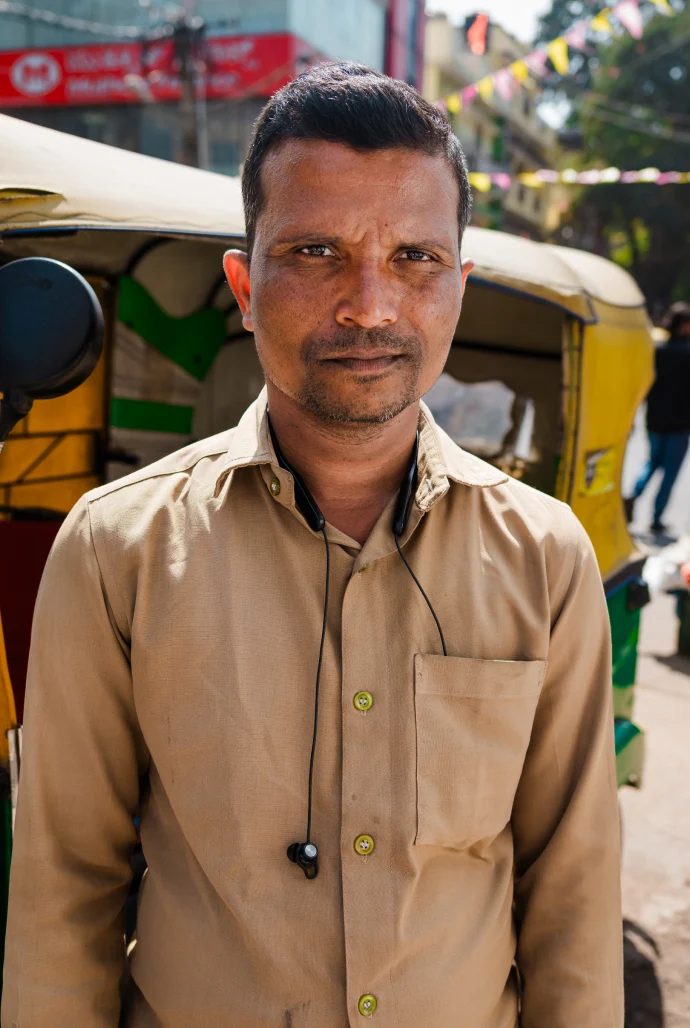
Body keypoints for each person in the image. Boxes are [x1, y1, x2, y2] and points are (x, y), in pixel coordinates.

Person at [3, 64, 623, 1028]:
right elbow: (64, 887)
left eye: (415, 257)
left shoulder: (544, 556)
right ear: (245, 286)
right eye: (318, 250)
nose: (370, 304)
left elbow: (572, 890)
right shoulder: (116, 549)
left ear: (458, 290)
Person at [626, 302, 690, 534]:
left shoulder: (658, 351)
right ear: (684, 325)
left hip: (654, 419)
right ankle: (656, 518)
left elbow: (645, 384)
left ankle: (633, 495)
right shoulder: (687, 354)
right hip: (679, 425)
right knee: (670, 473)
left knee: (651, 463)